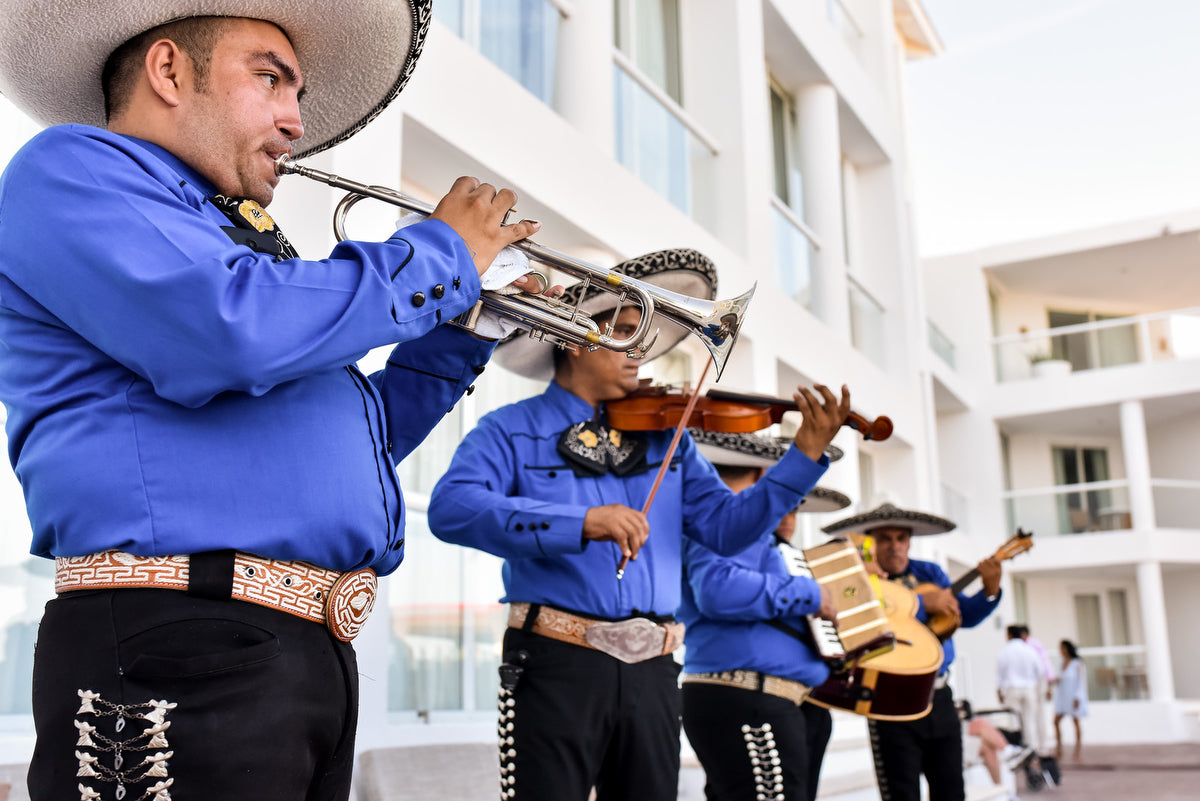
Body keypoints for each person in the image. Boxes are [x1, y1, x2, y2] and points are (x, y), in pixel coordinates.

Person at [0, 3, 544, 799]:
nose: (294, 121)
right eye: (270, 79)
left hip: (296, 653)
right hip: (178, 639)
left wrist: (465, 330)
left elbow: (355, 440)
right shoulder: (71, 168)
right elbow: (225, 329)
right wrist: (436, 253)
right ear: (169, 71)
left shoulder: (237, 246)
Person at [427, 249, 852, 801]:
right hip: (556, 662)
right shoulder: (508, 429)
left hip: (655, 669)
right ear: (577, 338)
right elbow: (452, 510)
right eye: (627, 332)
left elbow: (727, 529)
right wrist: (579, 522)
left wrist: (803, 457)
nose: (641, 350)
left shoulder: (668, 441)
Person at [679, 429, 852, 801]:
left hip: (772, 697)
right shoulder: (722, 521)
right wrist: (810, 594)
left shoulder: (765, 543)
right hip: (749, 695)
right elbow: (718, 592)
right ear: (763, 477)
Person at [821, 502, 1003, 801]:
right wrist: (921, 605)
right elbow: (868, 625)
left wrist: (990, 591)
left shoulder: (929, 573)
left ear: (909, 542)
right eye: (884, 538)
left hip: (940, 695)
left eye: (901, 538)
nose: (894, 546)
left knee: (951, 790)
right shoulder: (861, 580)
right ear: (871, 543)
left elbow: (964, 616)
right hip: (889, 699)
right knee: (901, 793)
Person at [997, 625, 1046, 758]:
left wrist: (999, 690)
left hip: (1012, 689)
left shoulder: (1006, 651)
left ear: (1010, 635)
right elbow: (1040, 670)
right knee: (1029, 720)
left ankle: (1017, 751)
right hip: (1029, 689)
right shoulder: (1029, 650)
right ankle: (1032, 750)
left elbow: (1000, 672)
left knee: (1014, 722)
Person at [1053, 639, 1088, 760]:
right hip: (1062, 697)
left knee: (1075, 722)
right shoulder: (1061, 663)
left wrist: (1078, 697)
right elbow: (1061, 678)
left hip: (1073, 697)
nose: (1061, 651)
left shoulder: (1077, 663)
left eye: (1062, 648)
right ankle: (1059, 749)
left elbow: (1081, 682)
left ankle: (1077, 751)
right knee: (1056, 721)